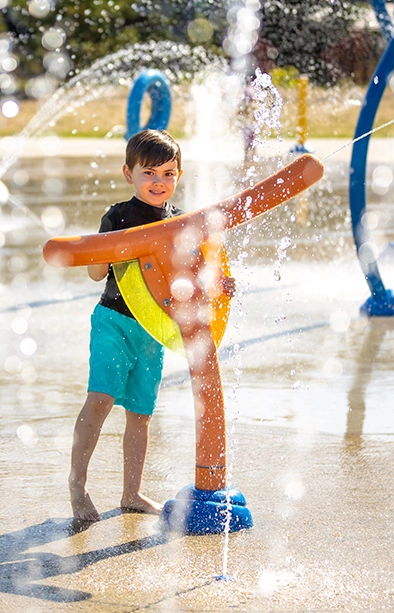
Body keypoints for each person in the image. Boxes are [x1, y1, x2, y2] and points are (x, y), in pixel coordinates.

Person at [69, 129, 234, 522]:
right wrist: (106, 247)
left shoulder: (179, 222)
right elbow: (95, 275)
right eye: (149, 173)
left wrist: (219, 284)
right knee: (100, 400)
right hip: (113, 322)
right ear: (129, 174)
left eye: (168, 173)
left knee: (140, 413)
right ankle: (78, 485)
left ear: (178, 176)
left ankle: (132, 493)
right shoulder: (119, 215)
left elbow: (193, 273)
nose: (159, 182)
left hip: (153, 332)